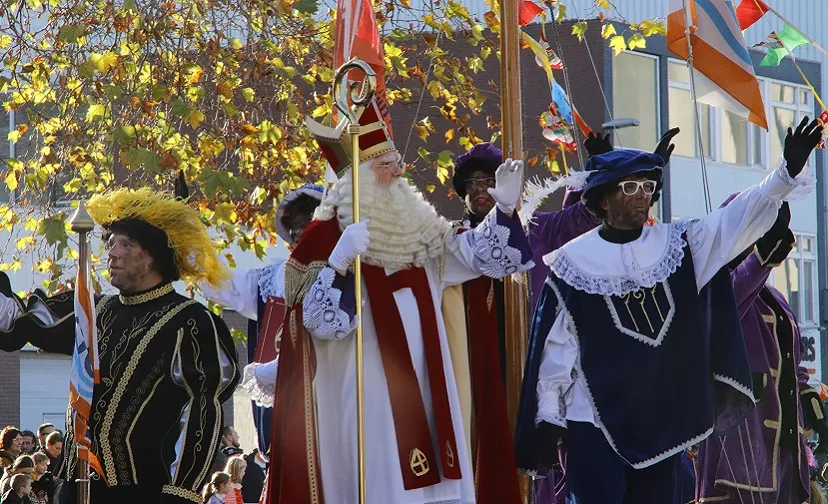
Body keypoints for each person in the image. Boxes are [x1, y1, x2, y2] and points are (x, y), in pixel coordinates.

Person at [514, 117, 824, 503]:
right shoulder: (572, 262)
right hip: (591, 421)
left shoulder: (677, 247)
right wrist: (548, 415)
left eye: (647, 186)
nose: (641, 195)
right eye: (630, 187)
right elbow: (556, 348)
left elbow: (733, 220)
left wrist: (785, 172)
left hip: (658, 426)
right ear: (603, 199)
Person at [265, 88, 534, 504]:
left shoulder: (421, 233)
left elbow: (485, 258)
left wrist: (502, 210)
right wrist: (338, 261)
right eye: (387, 166)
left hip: (429, 388)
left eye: (397, 164)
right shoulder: (328, 240)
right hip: (366, 392)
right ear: (360, 178)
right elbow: (319, 324)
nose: (399, 173)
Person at [0, 187, 241, 504]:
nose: (111, 253)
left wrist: (182, 492)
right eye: (110, 242)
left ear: (153, 254)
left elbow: (202, 410)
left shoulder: (190, 321)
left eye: (125, 244)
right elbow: (31, 325)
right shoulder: (96, 310)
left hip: (145, 492)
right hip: (76, 488)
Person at [696, 195, 828, 503]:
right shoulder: (715, 289)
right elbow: (736, 292)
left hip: (783, 449)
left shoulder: (777, 299)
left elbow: (791, 363)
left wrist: (810, 401)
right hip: (738, 447)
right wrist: (762, 255)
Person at [201, 185, 324, 456]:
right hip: (282, 411)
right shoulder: (273, 279)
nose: (296, 231)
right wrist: (190, 230)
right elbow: (219, 282)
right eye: (292, 224)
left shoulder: (346, 274)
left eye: (306, 222)